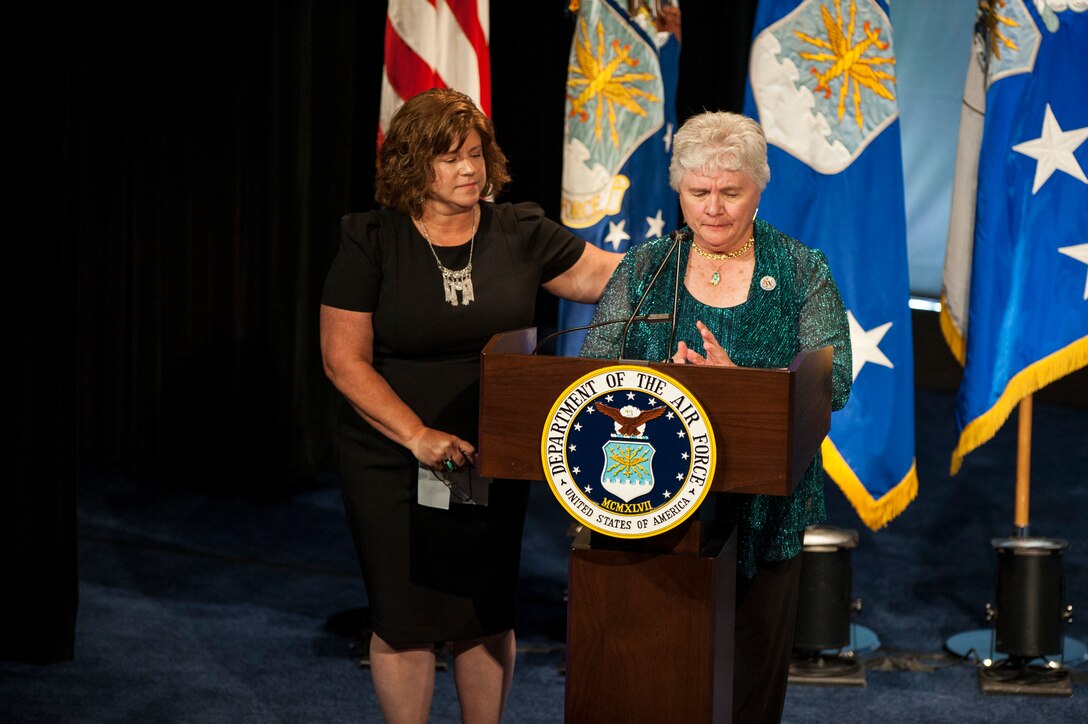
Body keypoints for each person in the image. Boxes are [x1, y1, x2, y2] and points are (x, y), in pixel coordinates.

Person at [319, 87, 619, 724]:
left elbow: (606, 276)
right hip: (392, 454)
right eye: (449, 158)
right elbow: (344, 360)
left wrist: (704, 258)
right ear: (411, 165)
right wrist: (417, 434)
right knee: (405, 620)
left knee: (483, 612)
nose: (469, 170)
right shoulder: (371, 239)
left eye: (476, 155)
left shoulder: (520, 230)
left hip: (491, 451)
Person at [579, 111, 852, 723]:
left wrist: (742, 388)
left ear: (760, 186)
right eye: (697, 192)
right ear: (677, 188)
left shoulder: (803, 269)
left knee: (747, 684)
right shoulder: (646, 270)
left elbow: (834, 383)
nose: (714, 208)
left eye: (731, 192)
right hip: (648, 503)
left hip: (763, 512)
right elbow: (594, 369)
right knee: (652, 674)